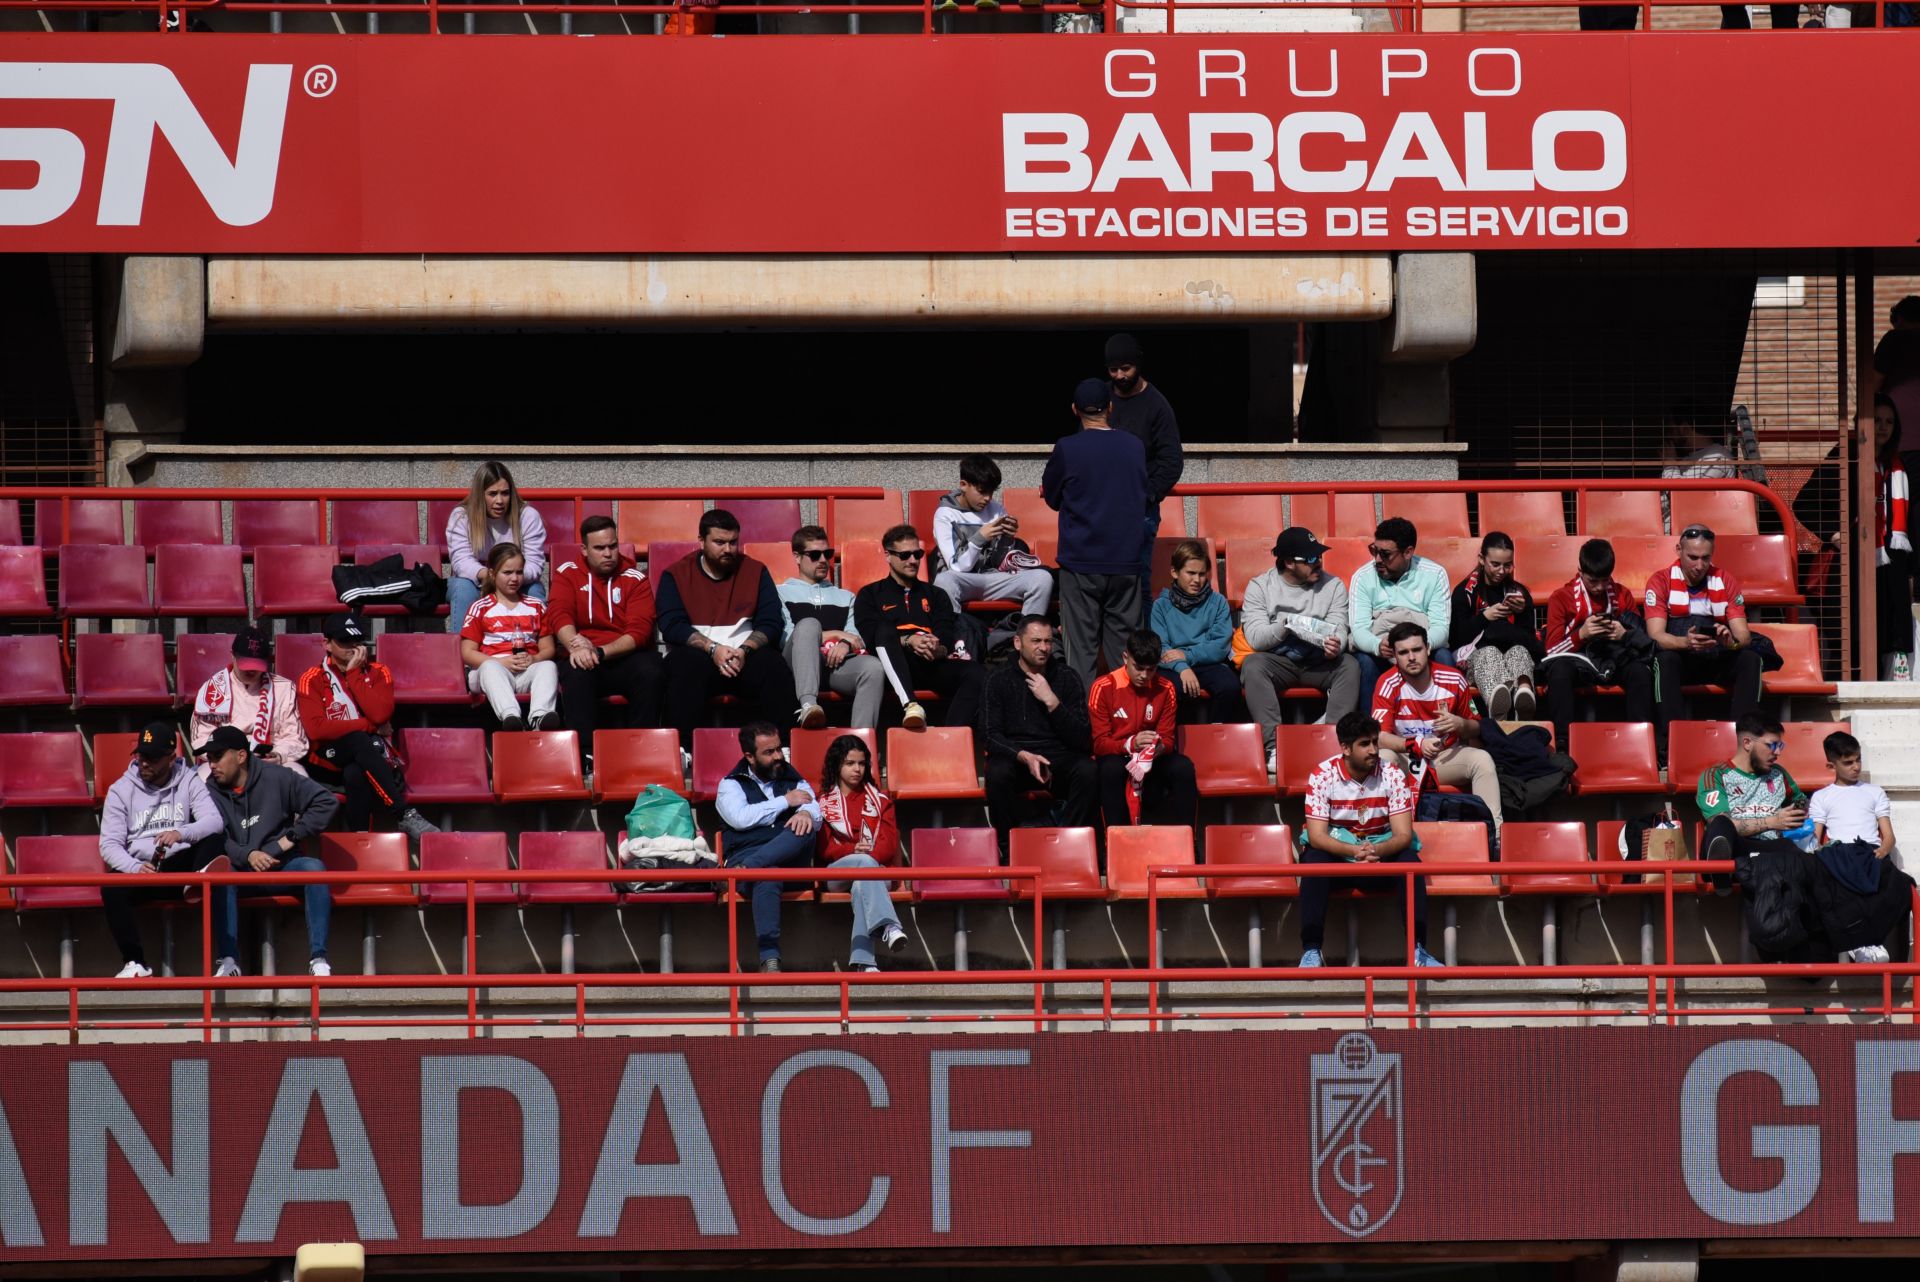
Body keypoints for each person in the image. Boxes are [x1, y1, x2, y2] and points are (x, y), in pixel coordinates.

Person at [1298, 712, 1442, 969]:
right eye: (1365, 744)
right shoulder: (1322, 775)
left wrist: (1373, 849)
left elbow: (1403, 835)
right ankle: (1311, 950)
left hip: (1379, 856)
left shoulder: (1393, 774)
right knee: (1313, 861)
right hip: (1339, 860)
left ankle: (1418, 950)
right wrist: (1354, 850)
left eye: (1375, 742)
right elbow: (1318, 836)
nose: (1374, 750)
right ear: (1345, 747)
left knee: (1409, 861)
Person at [200, 724, 342, 978]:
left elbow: (326, 802)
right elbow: (215, 836)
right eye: (209, 758)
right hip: (240, 871)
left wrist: (289, 838)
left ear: (241, 756)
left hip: (282, 866)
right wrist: (248, 855)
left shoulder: (277, 776)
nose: (212, 765)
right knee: (219, 876)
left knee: (315, 869)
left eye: (218, 757)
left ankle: (319, 959)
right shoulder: (208, 790)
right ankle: (229, 960)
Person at [655, 509, 800, 750]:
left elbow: (771, 621)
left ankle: (783, 748)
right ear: (701, 541)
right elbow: (671, 625)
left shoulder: (755, 571)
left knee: (772, 665)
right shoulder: (676, 574)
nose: (728, 549)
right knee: (685, 665)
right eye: (719, 542)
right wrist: (713, 649)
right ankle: (683, 751)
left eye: (733, 542)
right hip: (701, 657)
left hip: (744, 657)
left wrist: (745, 650)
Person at [100, 722, 233, 979]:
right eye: (140, 756)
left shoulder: (189, 779)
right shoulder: (120, 790)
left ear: (172, 758)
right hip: (143, 870)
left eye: (152, 757)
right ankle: (135, 962)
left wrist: (181, 832)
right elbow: (109, 844)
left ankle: (198, 880)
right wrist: (134, 867)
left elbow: (214, 820)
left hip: (180, 866)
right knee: (112, 887)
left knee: (214, 840)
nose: (144, 763)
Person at [296, 611, 439, 844]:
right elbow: (317, 730)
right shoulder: (311, 678)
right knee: (359, 740)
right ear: (327, 644)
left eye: (357, 641)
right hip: (327, 759)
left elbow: (381, 714)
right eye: (344, 642)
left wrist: (354, 673)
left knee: (356, 770)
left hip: (370, 758)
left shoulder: (378, 671)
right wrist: (370, 726)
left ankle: (359, 841)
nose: (352, 647)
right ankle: (403, 814)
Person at [1045, 377, 1150, 685]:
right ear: (1110, 408)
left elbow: (1052, 498)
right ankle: (1125, 727)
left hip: (1080, 562)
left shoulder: (1067, 447)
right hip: (1126, 561)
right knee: (1125, 654)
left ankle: (1086, 727)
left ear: (1075, 410)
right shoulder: (1134, 446)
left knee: (1081, 654)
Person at [549, 514, 662, 774]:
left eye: (613, 546)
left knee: (652, 670)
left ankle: (641, 751)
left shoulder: (635, 578)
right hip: (584, 655)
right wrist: (576, 646)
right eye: (600, 548)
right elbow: (559, 615)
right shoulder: (567, 575)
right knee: (575, 673)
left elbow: (640, 631)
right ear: (585, 550)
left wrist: (599, 651)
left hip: (621, 655)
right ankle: (585, 755)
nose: (608, 553)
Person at [1240, 527, 1360, 767]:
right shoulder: (1260, 586)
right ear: (1289, 563)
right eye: (1311, 559)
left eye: (1320, 556)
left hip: (1319, 662)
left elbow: (1339, 626)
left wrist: (1337, 645)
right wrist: (1286, 625)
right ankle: (1273, 748)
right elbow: (1255, 638)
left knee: (1349, 665)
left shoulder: (1333, 585)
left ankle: (1334, 745)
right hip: (1279, 662)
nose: (1318, 563)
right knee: (1252, 665)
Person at [982, 616, 1097, 860]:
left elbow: (1083, 739)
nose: (1043, 648)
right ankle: (1007, 849)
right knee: (997, 772)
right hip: (1019, 757)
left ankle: (1070, 845)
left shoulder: (1067, 677)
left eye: (1047, 641)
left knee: (1087, 770)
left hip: (1059, 757)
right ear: (1017, 643)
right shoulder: (997, 679)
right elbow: (991, 736)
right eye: (1035, 641)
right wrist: (1023, 756)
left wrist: (1053, 702)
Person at [851, 524, 985, 732]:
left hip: (927, 662)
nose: (913, 560)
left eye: (917, 554)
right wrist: (908, 640)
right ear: (888, 555)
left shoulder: (936, 595)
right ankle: (911, 705)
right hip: (890, 667)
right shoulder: (870, 594)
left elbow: (946, 631)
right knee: (884, 629)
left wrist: (937, 647)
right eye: (905, 555)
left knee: (976, 672)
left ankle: (950, 737)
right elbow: (870, 636)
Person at [1371, 622, 1503, 832]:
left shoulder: (1454, 679)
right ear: (1395, 657)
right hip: (1406, 759)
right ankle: (1383, 835)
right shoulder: (1387, 683)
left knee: (1482, 760)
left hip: (1445, 757)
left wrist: (1460, 724)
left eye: (1417, 649)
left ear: (1428, 649)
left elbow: (1477, 728)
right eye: (1403, 652)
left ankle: (1493, 838)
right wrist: (1415, 745)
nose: (1411, 657)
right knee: (1384, 757)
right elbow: (1379, 737)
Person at [718, 721, 823, 973]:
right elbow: (740, 819)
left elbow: (814, 807)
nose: (778, 757)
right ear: (749, 757)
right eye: (769, 752)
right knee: (767, 875)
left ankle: (749, 869)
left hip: (786, 864)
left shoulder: (793, 777)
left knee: (806, 828)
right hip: (746, 855)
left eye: (779, 749)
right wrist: (785, 802)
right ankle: (770, 958)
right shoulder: (730, 784)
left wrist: (806, 813)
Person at [1644, 525, 1766, 742]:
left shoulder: (1725, 580)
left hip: (1717, 656)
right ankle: (1672, 743)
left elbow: (1744, 637)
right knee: (1664, 661)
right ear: (1678, 550)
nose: (1699, 565)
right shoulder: (1660, 581)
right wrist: (1686, 642)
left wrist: (1730, 642)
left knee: (1750, 659)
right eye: (1692, 557)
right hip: (1682, 659)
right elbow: (1655, 635)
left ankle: (1745, 741)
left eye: (1705, 558)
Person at [1539, 538, 1656, 753]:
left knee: (1639, 671)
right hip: (1578, 660)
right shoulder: (1561, 597)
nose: (1600, 587)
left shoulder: (1622, 594)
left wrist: (1623, 635)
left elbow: (1641, 638)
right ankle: (1563, 744)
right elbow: (1550, 651)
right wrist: (1581, 634)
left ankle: (1641, 744)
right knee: (1559, 671)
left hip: (1613, 657)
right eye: (1593, 581)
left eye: (1605, 580)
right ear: (1580, 571)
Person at [1808, 731, 1915, 964]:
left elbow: (1888, 836)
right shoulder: (1822, 796)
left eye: (1858, 760)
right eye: (1848, 762)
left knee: (1902, 885)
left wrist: (1883, 851)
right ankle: (1861, 942)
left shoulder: (1874, 792)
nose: (1855, 767)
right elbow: (1815, 837)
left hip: (1869, 852)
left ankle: (1868, 942)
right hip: (1839, 853)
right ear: (1831, 765)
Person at [814, 734, 910, 972]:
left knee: (862, 883)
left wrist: (865, 860)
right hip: (837, 873)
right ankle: (889, 925)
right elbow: (823, 848)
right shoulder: (822, 801)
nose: (857, 769)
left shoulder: (881, 800)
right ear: (837, 766)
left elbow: (888, 846)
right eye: (850, 763)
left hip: (875, 873)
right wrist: (851, 850)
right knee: (864, 865)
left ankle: (864, 962)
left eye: (861, 763)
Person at [1088, 629, 1197, 833]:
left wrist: (1158, 747)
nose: (1144, 675)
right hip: (1117, 754)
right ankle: (1117, 841)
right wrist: (1130, 744)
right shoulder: (1103, 687)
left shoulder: (1166, 688)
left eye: (1151, 669)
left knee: (1183, 767)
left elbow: (1168, 740)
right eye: (1138, 668)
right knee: (1111, 769)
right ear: (1125, 658)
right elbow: (1100, 744)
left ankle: (1189, 841)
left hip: (1152, 759)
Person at [1104, 333, 1184, 608]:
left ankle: (1142, 647)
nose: (1120, 376)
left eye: (1126, 368)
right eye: (1113, 370)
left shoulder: (1156, 405)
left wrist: (1146, 495)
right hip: (1101, 508)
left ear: (1138, 365)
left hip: (1140, 512)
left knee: (1138, 581)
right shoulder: (1101, 398)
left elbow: (1171, 461)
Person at [778, 526, 885, 730]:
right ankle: (809, 705)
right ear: (797, 557)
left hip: (834, 665)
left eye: (827, 554)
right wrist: (837, 634)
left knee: (873, 668)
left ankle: (860, 743)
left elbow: (855, 636)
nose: (823, 560)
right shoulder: (781, 592)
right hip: (795, 664)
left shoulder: (846, 596)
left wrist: (845, 643)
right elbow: (788, 637)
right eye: (814, 554)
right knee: (809, 624)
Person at [930, 454, 1053, 616]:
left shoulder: (997, 510)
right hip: (964, 580)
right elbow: (957, 567)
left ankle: (1027, 635)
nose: (987, 498)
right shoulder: (945, 514)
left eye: (991, 492)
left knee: (1042, 578)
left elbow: (999, 562)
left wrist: (1008, 540)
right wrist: (980, 538)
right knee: (944, 581)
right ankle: (960, 635)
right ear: (963, 485)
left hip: (994, 578)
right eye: (981, 492)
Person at [1699, 714, 1807, 895]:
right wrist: (1771, 822)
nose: (1778, 752)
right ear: (1747, 743)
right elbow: (1720, 823)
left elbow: (1801, 801)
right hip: (1737, 848)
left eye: (1780, 746)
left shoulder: (1779, 774)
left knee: (1791, 851)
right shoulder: (1716, 775)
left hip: (1768, 851)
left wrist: (1800, 809)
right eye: (1772, 745)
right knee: (1721, 825)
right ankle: (1720, 870)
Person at [458, 542, 559, 731]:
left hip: (525, 670)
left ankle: (539, 716)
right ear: (492, 574)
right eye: (507, 573)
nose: (514, 578)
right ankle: (511, 717)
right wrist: (502, 662)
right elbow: (468, 652)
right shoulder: (480, 607)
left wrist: (535, 658)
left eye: (519, 572)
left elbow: (549, 648)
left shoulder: (536, 606)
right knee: (489, 668)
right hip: (494, 671)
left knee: (548, 666)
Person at [1348, 516, 1453, 697]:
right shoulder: (1362, 577)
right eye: (1374, 551)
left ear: (1408, 552)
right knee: (1364, 661)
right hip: (1381, 649)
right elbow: (1358, 630)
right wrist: (1377, 646)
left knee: (1444, 656)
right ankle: (1372, 724)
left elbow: (1441, 629)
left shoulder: (1435, 574)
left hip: (1422, 648)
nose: (1378, 559)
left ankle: (1452, 721)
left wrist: (1417, 647)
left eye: (1385, 554)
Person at [189, 624, 308, 774]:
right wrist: (231, 757)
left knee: (299, 776)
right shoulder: (213, 689)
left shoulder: (284, 688)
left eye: (257, 665)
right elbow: (201, 738)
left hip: (271, 758)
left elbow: (295, 737)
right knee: (204, 777)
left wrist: (278, 754)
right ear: (233, 655)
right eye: (246, 664)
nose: (251, 670)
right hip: (226, 760)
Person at [1149, 538, 1244, 726]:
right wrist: (1182, 667)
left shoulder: (1217, 602)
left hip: (1207, 662)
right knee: (1170, 688)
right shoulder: (1161, 605)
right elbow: (1160, 647)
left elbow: (1219, 646)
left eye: (1202, 574)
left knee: (1229, 686)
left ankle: (1215, 731)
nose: (1197, 580)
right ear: (1174, 572)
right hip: (1172, 666)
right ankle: (1172, 738)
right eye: (1190, 573)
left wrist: (1186, 655)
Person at [1450, 532, 1543, 722]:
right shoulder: (1464, 592)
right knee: (1489, 653)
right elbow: (1456, 639)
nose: (1501, 571)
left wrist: (1521, 613)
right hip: (1477, 658)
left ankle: (1524, 698)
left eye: (1507, 565)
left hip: (1512, 656)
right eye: (1495, 564)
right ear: (1481, 559)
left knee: (1519, 652)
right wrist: (1484, 617)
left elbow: (1532, 644)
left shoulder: (1519, 594)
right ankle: (1498, 706)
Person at [445, 460, 547, 626]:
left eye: (505, 493)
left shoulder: (527, 516)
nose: (500, 500)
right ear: (480, 495)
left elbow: (534, 564)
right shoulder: (461, 517)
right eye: (492, 494)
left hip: (516, 580)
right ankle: (464, 649)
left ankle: (538, 647)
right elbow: (461, 561)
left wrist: (509, 578)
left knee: (534, 590)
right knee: (463, 589)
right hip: (475, 581)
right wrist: (491, 577)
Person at [1872, 394, 1913, 676]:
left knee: (1895, 621)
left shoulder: (1896, 464)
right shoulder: (1846, 455)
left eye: (1889, 421)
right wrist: (1834, 533)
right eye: (1876, 420)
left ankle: (1891, 677)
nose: (1883, 427)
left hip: (1893, 556)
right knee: (1868, 622)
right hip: (1862, 556)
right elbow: (1807, 502)